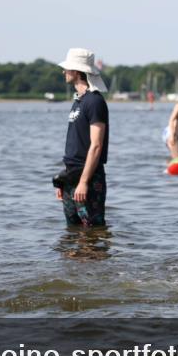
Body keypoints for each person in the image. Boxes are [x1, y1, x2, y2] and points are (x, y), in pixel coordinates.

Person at [55, 48, 110, 227]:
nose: (64, 72)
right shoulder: (79, 100)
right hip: (71, 177)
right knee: (72, 234)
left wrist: (84, 182)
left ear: (77, 72)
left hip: (89, 178)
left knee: (92, 234)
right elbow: (75, 144)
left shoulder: (95, 102)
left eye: (67, 68)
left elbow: (96, 145)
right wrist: (64, 183)